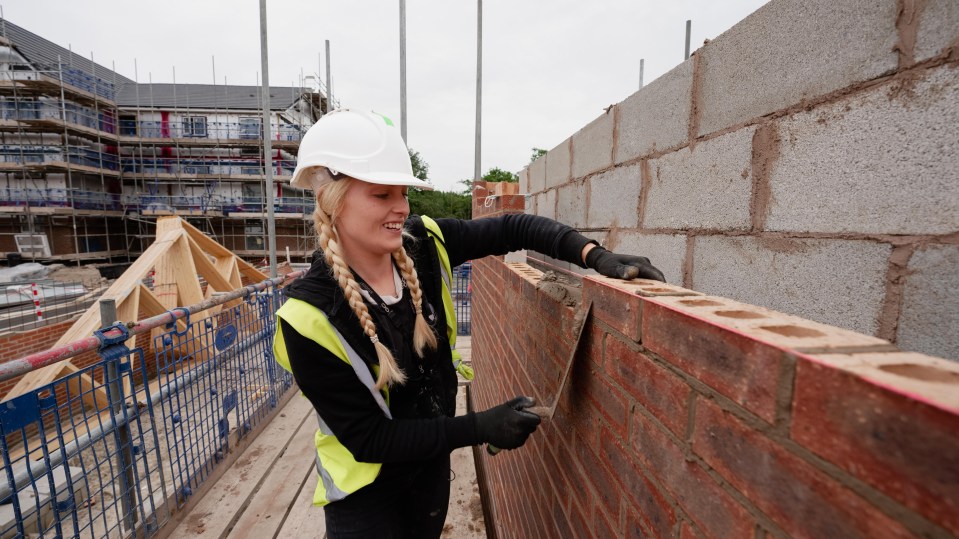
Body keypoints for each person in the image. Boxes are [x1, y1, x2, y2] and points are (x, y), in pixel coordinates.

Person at [273, 109, 664, 538]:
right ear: (333, 200)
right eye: (381, 195)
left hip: (429, 473)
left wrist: (594, 255)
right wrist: (480, 427)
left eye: (402, 194)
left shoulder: (422, 244)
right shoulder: (307, 316)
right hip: (367, 502)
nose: (400, 209)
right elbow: (368, 439)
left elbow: (515, 227)